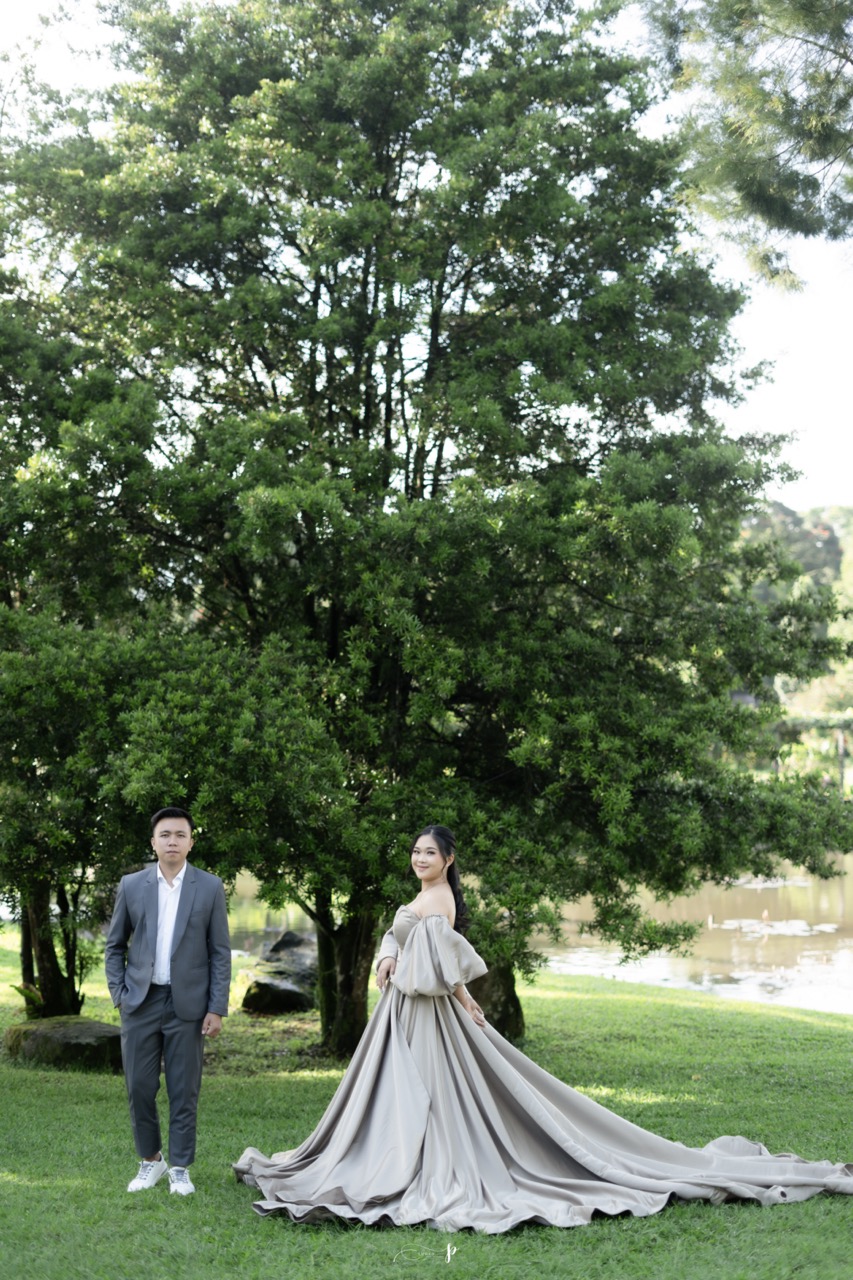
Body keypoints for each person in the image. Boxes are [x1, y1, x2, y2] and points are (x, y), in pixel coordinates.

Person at [234, 824, 853, 1233]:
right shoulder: (422, 898)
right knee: (396, 1094)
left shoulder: (441, 901)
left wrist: (463, 1000)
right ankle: (390, 1156)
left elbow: (439, 969)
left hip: (424, 1014)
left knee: (435, 1095)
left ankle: (423, 1167)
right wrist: (386, 958)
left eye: (430, 853)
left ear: (448, 861)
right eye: (416, 852)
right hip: (401, 1014)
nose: (420, 859)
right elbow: (402, 943)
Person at [106, 806, 231, 1196]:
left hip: (188, 1005)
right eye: (165, 835)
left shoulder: (209, 887)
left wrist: (216, 1007)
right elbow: (114, 946)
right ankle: (151, 1160)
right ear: (153, 842)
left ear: (191, 842)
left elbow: (220, 952)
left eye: (180, 835)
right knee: (139, 1087)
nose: (172, 841)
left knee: (183, 1089)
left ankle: (179, 1167)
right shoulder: (132, 885)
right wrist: (120, 994)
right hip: (140, 1003)